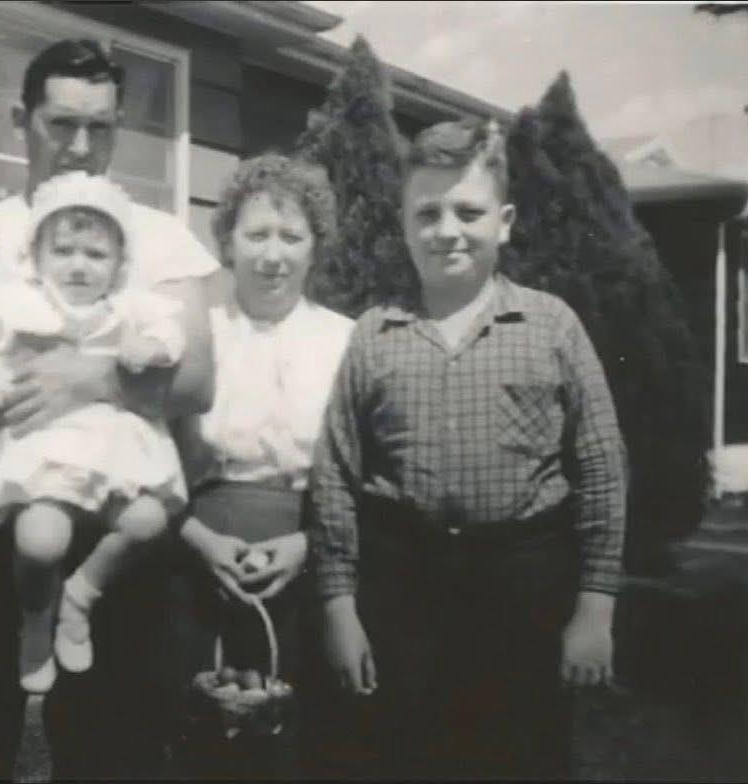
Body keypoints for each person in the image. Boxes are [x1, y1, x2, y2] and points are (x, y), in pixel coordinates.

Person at [0, 39, 218, 780]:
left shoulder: (159, 238)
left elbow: (197, 382)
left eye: (100, 127)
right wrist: (14, 482)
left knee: (114, 751)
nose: (81, 146)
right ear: (23, 120)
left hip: (112, 522)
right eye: (61, 124)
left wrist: (92, 382)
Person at [306, 118, 628, 780]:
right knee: (403, 759)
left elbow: (600, 468)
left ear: (503, 223)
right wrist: (339, 607)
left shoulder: (550, 325)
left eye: (468, 212)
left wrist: (594, 608)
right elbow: (335, 473)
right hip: (403, 585)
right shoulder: (375, 333)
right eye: (427, 213)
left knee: (518, 758)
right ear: (403, 226)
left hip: (522, 586)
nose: (446, 230)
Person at [0, 171, 189, 695]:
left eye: (96, 254)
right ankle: (37, 621)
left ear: (119, 264)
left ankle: (81, 596)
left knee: (150, 519)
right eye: (63, 251)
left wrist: (148, 348)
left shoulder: (129, 306)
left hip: (112, 449)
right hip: (43, 447)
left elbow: (169, 334)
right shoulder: (24, 303)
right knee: (41, 541)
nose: (79, 265)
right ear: (37, 258)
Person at [166, 153, 354, 779]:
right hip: (197, 555)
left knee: (291, 744)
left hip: (306, 561)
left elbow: (363, 477)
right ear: (227, 242)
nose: (273, 256)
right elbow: (148, 458)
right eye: (257, 235)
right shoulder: (193, 337)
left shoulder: (347, 342)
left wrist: (308, 544)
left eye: (291, 236)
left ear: (315, 246)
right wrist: (200, 541)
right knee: (201, 738)